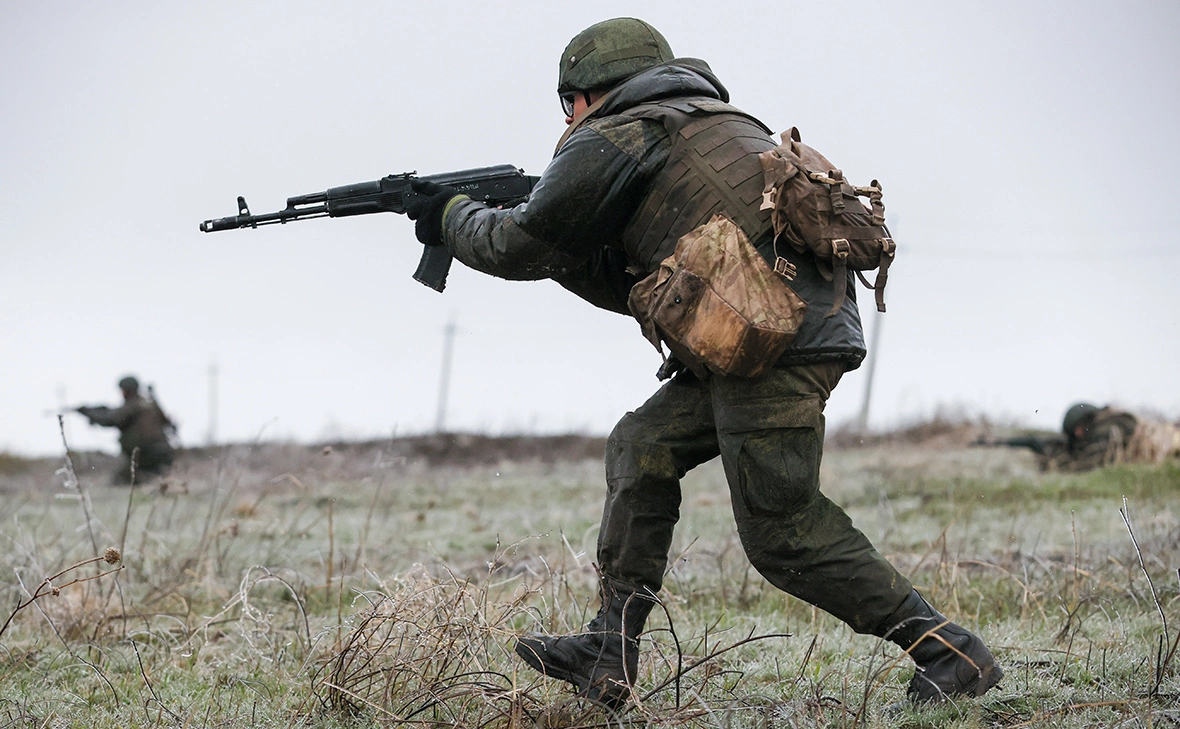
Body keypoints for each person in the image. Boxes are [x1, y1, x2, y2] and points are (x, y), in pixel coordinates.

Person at [404, 18, 1002, 707]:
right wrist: (552, 243)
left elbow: (516, 246)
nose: (568, 118)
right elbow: (628, 284)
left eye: (568, 103)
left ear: (588, 93)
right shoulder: (709, 122)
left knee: (783, 532)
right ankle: (609, 650)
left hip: (774, 340)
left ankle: (950, 652)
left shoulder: (619, 132)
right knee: (643, 445)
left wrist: (452, 216)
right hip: (772, 333)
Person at [981, 403, 1180, 472]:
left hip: (1166, 445)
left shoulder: (1108, 428)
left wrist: (1052, 461)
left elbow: (1088, 464)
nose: (1078, 434)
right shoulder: (1110, 422)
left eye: (1079, 429)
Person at [76, 375, 175, 484]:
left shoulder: (133, 404)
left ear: (127, 390)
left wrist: (90, 414)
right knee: (155, 479)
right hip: (161, 453)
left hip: (144, 455)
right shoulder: (148, 404)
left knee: (121, 482)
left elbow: (112, 419)